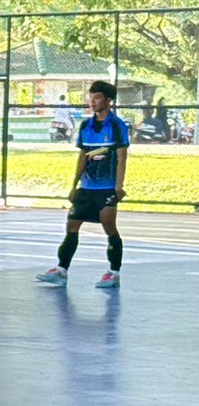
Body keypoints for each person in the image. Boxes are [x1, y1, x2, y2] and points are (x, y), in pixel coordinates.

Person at [39, 80, 129, 289]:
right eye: (90, 97)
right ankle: (61, 270)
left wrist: (118, 186)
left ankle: (113, 273)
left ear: (108, 100)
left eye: (97, 97)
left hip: (106, 188)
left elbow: (122, 157)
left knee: (109, 226)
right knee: (71, 226)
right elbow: (82, 157)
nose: (92, 101)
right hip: (86, 188)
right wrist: (74, 185)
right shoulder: (86, 126)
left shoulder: (117, 126)